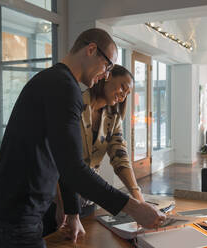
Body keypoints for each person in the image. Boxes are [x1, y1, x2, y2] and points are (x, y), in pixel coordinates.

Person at [0, 28, 165, 248]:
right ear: (91, 50)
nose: (106, 75)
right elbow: (74, 168)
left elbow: (63, 157)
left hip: (14, 211)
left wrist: (73, 212)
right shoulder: (64, 88)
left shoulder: (57, 81)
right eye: (107, 66)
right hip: (14, 215)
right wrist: (134, 208)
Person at [43, 65, 144, 237]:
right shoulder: (75, 104)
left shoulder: (114, 119)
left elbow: (120, 158)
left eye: (127, 93)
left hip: (88, 199)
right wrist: (63, 204)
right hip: (57, 198)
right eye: (122, 87)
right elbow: (58, 159)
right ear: (107, 77)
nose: (123, 95)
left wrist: (138, 198)